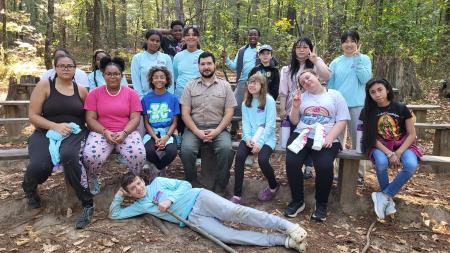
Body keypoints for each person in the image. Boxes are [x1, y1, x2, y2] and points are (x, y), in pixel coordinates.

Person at [109, 173, 307, 252]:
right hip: (192, 219)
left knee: (237, 212)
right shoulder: (140, 205)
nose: (138, 188)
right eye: (133, 189)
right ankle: (283, 241)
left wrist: (170, 199)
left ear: (142, 181)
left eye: (138, 183)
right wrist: (119, 195)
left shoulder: (159, 183)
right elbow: (115, 214)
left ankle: (287, 226)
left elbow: (185, 185)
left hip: (200, 199)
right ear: (130, 193)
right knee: (227, 236)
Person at [24, 54, 94, 229]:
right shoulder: (45, 86)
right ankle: (29, 188)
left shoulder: (81, 90)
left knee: (69, 156)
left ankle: (86, 202)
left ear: (75, 69)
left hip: (74, 133)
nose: (65, 69)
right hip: (45, 132)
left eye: (69, 66)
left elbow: (90, 116)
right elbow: (33, 115)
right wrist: (54, 126)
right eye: (61, 66)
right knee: (40, 165)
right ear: (54, 68)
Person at [284, 69, 350, 221]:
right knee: (292, 162)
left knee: (325, 166)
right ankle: (297, 201)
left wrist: (331, 137)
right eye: (302, 82)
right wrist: (295, 106)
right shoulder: (302, 97)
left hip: (326, 137)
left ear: (317, 76)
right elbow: (294, 121)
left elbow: (342, 120)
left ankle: (321, 204)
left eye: (308, 77)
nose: (306, 82)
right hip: (302, 134)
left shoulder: (335, 95)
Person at [360, 78, 422, 220]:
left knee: (411, 164)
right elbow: (371, 138)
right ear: (369, 95)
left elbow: (412, 134)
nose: (377, 94)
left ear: (387, 89)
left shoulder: (401, 108)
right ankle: (387, 200)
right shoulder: (367, 111)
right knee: (381, 162)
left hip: (402, 144)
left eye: (380, 90)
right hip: (378, 144)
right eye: (372, 92)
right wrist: (389, 154)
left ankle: (384, 195)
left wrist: (398, 152)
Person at [83, 56, 146, 195]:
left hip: (127, 132)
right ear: (103, 75)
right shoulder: (94, 94)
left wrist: (124, 133)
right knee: (90, 156)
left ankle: (133, 180)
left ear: (122, 75)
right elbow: (90, 118)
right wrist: (105, 132)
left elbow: (135, 118)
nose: (113, 77)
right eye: (109, 74)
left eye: (116, 74)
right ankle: (92, 177)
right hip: (101, 132)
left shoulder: (131, 94)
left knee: (139, 153)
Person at [180, 52, 237, 192]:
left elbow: (229, 112)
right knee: (186, 150)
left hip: (219, 128)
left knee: (226, 150)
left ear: (214, 65)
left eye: (209, 63)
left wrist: (217, 131)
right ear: (199, 67)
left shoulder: (225, 86)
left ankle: (221, 184)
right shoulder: (190, 86)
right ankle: (191, 182)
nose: (206, 67)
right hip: (194, 129)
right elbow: (185, 113)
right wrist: (197, 131)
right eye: (203, 64)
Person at [279, 38, 332, 179]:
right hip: (294, 109)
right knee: (295, 138)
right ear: (294, 49)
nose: (301, 50)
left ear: (310, 48)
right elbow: (283, 92)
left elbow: (327, 76)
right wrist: (282, 109)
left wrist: (316, 61)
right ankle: (294, 169)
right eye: (298, 47)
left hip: (313, 109)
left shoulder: (315, 66)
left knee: (312, 136)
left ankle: (309, 167)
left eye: (305, 47)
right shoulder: (287, 69)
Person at [327, 29, 372, 185]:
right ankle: (337, 173)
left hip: (357, 106)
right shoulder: (335, 62)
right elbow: (330, 85)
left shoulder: (364, 59)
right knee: (336, 140)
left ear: (357, 43)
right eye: (345, 41)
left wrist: (358, 60)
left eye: (352, 41)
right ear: (341, 44)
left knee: (358, 140)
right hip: (338, 106)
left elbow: (365, 79)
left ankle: (359, 174)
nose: (349, 44)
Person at [230, 72, 278, 204]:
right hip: (250, 137)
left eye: (255, 82)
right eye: (250, 82)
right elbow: (246, 123)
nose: (252, 85)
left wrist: (260, 143)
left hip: (266, 138)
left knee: (263, 160)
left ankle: (273, 187)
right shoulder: (246, 102)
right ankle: (237, 195)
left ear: (262, 85)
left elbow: (270, 125)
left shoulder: (269, 100)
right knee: (239, 157)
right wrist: (247, 138)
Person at [221, 28, 269, 137]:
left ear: (259, 37)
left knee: (258, 106)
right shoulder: (242, 50)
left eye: (255, 35)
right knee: (235, 104)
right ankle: (234, 127)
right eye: (250, 34)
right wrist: (227, 59)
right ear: (247, 36)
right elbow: (235, 67)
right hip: (243, 81)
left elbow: (270, 63)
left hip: (259, 81)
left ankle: (257, 132)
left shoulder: (263, 49)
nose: (252, 37)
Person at [141, 66, 180, 175]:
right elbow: (146, 122)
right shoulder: (146, 99)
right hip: (152, 133)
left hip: (168, 133)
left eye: (162, 77)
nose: (159, 80)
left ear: (167, 80)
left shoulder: (173, 98)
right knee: (148, 151)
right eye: (156, 77)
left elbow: (175, 122)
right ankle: (159, 169)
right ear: (151, 80)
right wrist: (155, 138)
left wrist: (166, 137)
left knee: (172, 152)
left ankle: (157, 168)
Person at [172, 26, 204, 134]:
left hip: (198, 96)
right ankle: (180, 145)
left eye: (194, 35)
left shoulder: (203, 55)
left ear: (198, 38)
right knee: (180, 123)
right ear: (183, 38)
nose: (191, 37)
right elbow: (175, 76)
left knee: (196, 124)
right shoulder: (178, 56)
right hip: (180, 96)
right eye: (187, 35)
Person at [131, 29, 174, 98]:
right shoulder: (137, 58)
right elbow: (136, 81)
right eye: (152, 40)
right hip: (144, 98)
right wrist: (141, 98)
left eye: (157, 41)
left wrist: (169, 97)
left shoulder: (166, 58)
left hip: (164, 98)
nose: (155, 43)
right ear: (146, 40)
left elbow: (170, 79)